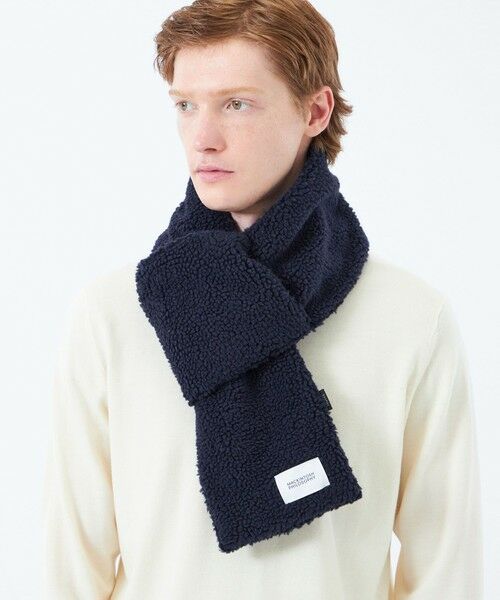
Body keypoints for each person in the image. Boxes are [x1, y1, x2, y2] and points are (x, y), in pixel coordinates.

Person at [43, 1, 484, 598]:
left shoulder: (410, 318)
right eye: (185, 105)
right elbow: (71, 570)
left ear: (315, 110)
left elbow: (447, 574)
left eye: (237, 104)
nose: (203, 138)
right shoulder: (111, 316)